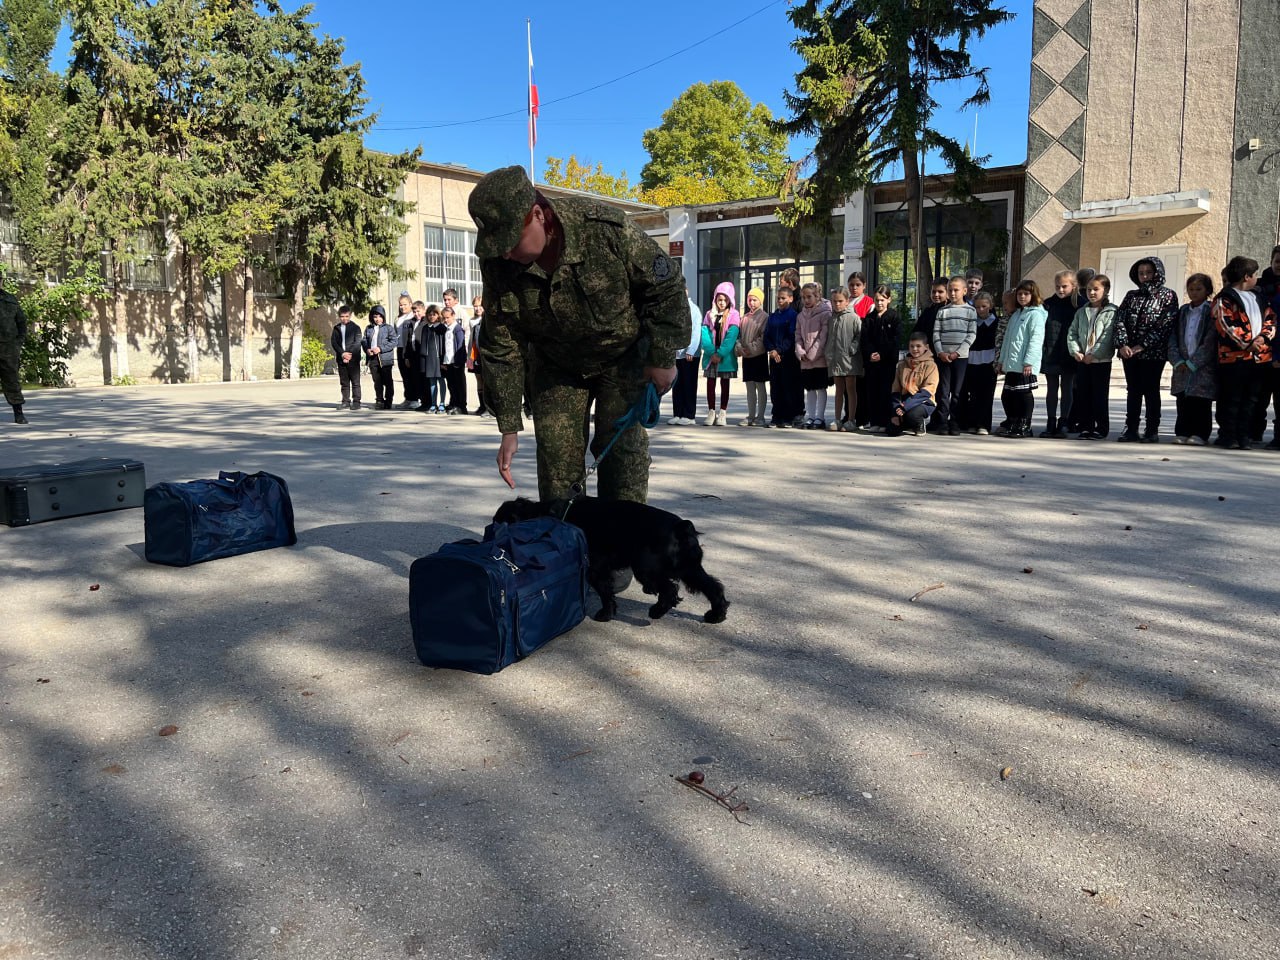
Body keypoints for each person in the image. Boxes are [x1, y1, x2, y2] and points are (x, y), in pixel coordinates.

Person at [470, 165, 685, 503]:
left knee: (622, 460)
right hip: (557, 365)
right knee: (557, 465)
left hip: (622, 357)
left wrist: (662, 358)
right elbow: (501, 345)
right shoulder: (498, 263)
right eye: (497, 245)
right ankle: (565, 549)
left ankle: (620, 551)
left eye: (511, 241)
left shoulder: (603, 230)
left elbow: (666, 287)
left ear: (538, 215)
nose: (506, 253)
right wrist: (509, 426)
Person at [1212, 256, 1276, 450]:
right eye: (1255, 274)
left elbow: (1271, 320)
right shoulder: (1224, 298)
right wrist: (1247, 344)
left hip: (1259, 359)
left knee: (1251, 400)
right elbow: (1224, 324)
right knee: (1231, 399)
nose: (1257, 278)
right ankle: (1228, 435)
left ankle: (1244, 436)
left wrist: (1262, 339)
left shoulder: (1259, 297)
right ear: (1247, 276)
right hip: (1233, 359)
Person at [1114, 256, 1179, 442]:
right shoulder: (1131, 296)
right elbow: (1120, 320)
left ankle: (1152, 430)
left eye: (1148, 272)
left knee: (1151, 390)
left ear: (1157, 273)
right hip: (1129, 354)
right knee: (1133, 390)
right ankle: (1131, 428)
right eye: (1141, 273)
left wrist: (1142, 346)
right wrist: (1123, 344)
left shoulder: (1168, 295)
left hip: (1153, 353)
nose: (1144, 276)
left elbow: (1165, 324)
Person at [1167, 273, 1217, 446]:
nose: (1194, 293)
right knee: (1183, 400)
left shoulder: (1211, 311)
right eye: (1191, 289)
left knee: (1200, 401)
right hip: (1182, 364)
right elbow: (1173, 337)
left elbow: (1211, 340)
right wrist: (1177, 360)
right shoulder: (1183, 311)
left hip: (1201, 366)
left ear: (1207, 291)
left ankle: (1200, 433)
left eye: (1198, 289)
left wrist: (1195, 362)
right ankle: (1183, 431)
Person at [1067, 274, 1118, 440]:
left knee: (1099, 396)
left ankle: (1101, 428)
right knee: (1083, 395)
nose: (1092, 293)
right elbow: (1072, 333)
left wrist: (1094, 354)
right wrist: (1076, 351)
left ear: (1106, 290)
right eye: (1089, 289)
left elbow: (1107, 336)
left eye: (1096, 289)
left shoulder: (1111, 311)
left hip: (1100, 361)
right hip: (1083, 360)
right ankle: (1086, 426)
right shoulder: (1082, 312)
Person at [995, 280, 1047, 438]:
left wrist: (1029, 361)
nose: (1022, 297)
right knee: (1008, 395)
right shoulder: (1016, 314)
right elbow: (1008, 340)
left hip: (1025, 364)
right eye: (1019, 294)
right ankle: (1013, 421)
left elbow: (1036, 339)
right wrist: (1001, 360)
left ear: (1033, 295)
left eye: (1026, 293)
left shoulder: (1036, 314)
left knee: (1023, 395)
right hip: (1011, 363)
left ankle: (1025, 425)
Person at [931, 276, 978, 435]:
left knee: (958, 392)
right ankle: (942, 422)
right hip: (943, 357)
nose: (952, 292)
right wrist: (940, 352)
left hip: (960, 358)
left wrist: (958, 353)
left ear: (964, 291)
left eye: (956, 290)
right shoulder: (942, 311)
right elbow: (936, 333)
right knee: (943, 391)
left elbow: (971, 334)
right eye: (950, 289)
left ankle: (955, 422)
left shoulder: (970, 311)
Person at [1041, 270, 1081, 438]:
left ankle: (1064, 421)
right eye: (1058, 286)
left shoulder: (1080, 304)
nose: (1061, 289)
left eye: (1065, 286)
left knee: (1067, 388)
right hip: (1051, 351)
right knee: (1051, 388)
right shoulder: (1048, 304)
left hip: (1070, 353)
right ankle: (1050, 421)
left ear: (1073, 286)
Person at [859, 285, 901, 433]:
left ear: (889, 300)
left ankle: (884, 421)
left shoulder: (894, 317)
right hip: (872, 363)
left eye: (882, 300)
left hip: (887, 362)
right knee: (872, 391)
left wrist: (882, 354)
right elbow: (865, 339)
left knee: (885, 391)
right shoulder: (869, 318)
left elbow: (894, 340)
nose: (879, 303)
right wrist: (870, 354)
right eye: (877, 300)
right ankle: (874, 420)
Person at [1250, 245, 1280, 441]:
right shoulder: (1258, 287)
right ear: (1271, 261)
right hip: (1258, 351)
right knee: (1257, 398)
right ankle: (1254, 434)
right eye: (1277, 261)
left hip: (1279, 353)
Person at [958, 291, 998, 435]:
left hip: (989, 361)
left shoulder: (996, 322)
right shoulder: (971, 323)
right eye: (977, 307)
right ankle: (971, 422)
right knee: (973, 393)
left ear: (990, 306)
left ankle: (984, 424)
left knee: (986, 394)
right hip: (972, 361)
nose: (981, 310)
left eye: (984, 306)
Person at [700, 282, 741, 426]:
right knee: (711, 382)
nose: (722, 303)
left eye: (725, 300)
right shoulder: (709, 314)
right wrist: (711, 352)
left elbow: (732, 336)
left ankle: (723, 412)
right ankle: (711, 411)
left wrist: (721, 353)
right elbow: (704, 333)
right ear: (715, 300)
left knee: (725, 383)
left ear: (730, 300)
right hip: (711, 355)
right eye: (719, 300)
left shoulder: (734, 315)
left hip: (726, 356)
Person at [825, 287, 863, 432]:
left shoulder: (853, 317)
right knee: (838, 390)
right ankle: (837, 418)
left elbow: (859, 335)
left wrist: (853, 348)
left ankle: (851, 419)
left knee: (851, 389)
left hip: (850, 359)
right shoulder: (831, 318)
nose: (837, 304)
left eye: (840, 301)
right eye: (834, 301)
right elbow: (830, 338)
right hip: (835, 359)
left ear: (847, 301)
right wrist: (828, 353)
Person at [763, 286, 802, 428]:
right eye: (778, 298)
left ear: (790, 299)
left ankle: (788, 417)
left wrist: (779, 350)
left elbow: (791, 336)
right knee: (775, 387)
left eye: (783, 298)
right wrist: (772, 350)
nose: (780, 300)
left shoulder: (793, 316)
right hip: (773, 357)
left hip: (787, 357)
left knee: (788, 386)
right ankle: (776, 416)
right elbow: (766, 336)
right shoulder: (773, 316)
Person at [795, 282, 832, 429]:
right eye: (803, 297)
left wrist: (813, 353)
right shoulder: (800, 315)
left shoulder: (825, 314)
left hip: (819, 358)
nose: (806, 300)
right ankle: (810, 416)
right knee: (809, 388)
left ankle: (820, 417)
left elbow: (823, 337)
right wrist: (799, 350)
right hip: (805, 359)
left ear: (817, 296)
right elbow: (797, 335)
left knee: (820, 387)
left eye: (809, 297)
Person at [887, 332, 939, 436]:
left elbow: (928, 390)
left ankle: (918, 424)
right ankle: (906, 423)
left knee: (913, 414)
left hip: (923, 401)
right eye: (912, 346)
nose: (915, 349)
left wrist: (905, 406)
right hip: (904, 401)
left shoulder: (931, 365)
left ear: (926, 347)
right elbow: (896, 388)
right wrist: (896, 408)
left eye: (918, 346)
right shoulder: (902, 365)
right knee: (892, 430)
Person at [668, 281, 702, 426]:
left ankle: (689, 414)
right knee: (677, 385)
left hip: (690, 354)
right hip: (677, 354)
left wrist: (691, 350)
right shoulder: (675, 309)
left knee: (689, 384)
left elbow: (695, 332)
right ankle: (678, 413)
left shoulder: (693, 310)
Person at [736, 286, 769, 426]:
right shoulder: (744, 318)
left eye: (755, 300)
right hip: (747, 358)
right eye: (750, 299)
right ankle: (750, 415)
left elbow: (763, 338)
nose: (752, 302)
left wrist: (751, 348)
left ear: (760, 301)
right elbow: (739, 336)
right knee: (750, 387)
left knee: (760, 386)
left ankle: (760, 416)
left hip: (759, 357)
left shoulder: (764, 317)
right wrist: (739, 348)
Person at [0, 286, 29, 424]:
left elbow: (21, 322)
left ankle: (18, 413)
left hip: (8, 348)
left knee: (12, 380)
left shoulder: (10, 299)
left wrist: (18, 343)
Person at [362, 304, 398, 410]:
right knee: (377, 381)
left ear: (383, 316)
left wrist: (380, 348)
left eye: (380, 316)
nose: (378, 319)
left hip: (385, 359)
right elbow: (364, 341)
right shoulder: (369, 328)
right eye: (375, 317)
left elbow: (394, 341)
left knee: (387, 381)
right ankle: (379, 400)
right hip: (373, 359)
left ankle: (388, 401)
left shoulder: (388, 328)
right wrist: (367, 349)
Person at [330, 305, 363, 410]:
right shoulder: (336, 328)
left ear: (350, 315)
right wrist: (342, 354)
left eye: (346, 316)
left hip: (353, 359)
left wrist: (349, 354)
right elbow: (334, 342)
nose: (344, 318)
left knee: (355, 382)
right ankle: (345, 401)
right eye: (342, 316)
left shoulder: (356, 328)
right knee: (344, 382)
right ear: (339, 316)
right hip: (341, 359)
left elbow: (357, 342)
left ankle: (356, 401)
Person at [441, 306, 468, 414]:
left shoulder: (457, 329)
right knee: (451, 384)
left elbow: (460, 346)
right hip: (448, 361)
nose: (446, 320)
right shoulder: (446, 329)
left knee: (459, 385)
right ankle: (453, 402)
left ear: (453, 316)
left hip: (456, 362)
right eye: (444, 318)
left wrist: (459, 361)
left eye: (448, 317)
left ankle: (461, 405)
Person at [467, 295, 491, 417]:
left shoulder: (488, 320)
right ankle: (481, 405)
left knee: (487, 379)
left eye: (480, 306)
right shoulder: (472, 321)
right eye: (475, 306)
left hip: (485, 354)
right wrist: (469, 356)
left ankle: (488, 406)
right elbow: (471, 340)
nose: (477, 308)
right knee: (479, 379)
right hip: (474, 353)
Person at [394, 292, 418, 410]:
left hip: (409, 349)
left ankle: (414, 399)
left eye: (405, 304)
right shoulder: (398, 318)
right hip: (399, 348)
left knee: (411, 374)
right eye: (400, 305)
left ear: (410, 304)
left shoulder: (412, 318)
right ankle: (408, 398)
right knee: (404, 374)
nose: (402, 307)